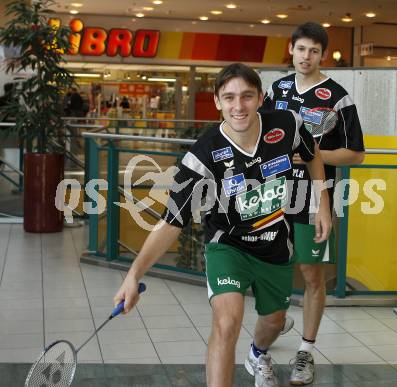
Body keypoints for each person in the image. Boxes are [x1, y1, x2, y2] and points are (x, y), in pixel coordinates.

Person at [113, 63, 332, 387]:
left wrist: (323, 204)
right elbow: (172, 221)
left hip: (274, 247)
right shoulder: (203, 155)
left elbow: (312, 155)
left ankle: (258, 353)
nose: (238, 105)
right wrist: (134, 274)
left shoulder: (287, 123)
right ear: (217, 102)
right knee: (226, 323)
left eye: (246, 96)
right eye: (229, 97)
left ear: (260, 98)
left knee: (273, 322)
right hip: (228, 246)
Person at [261, 22, 365, 385]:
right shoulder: (277, 89)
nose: (307, 57)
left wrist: (314, 156)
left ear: (323, 54)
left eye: (314, 51)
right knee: (268, 272)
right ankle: (277, 320)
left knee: (311, 276)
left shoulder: (338, 96)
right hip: (273, 197)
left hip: (313, 198)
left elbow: (356, 155)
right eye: (301, 49)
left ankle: (305, 351)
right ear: (291, 49)